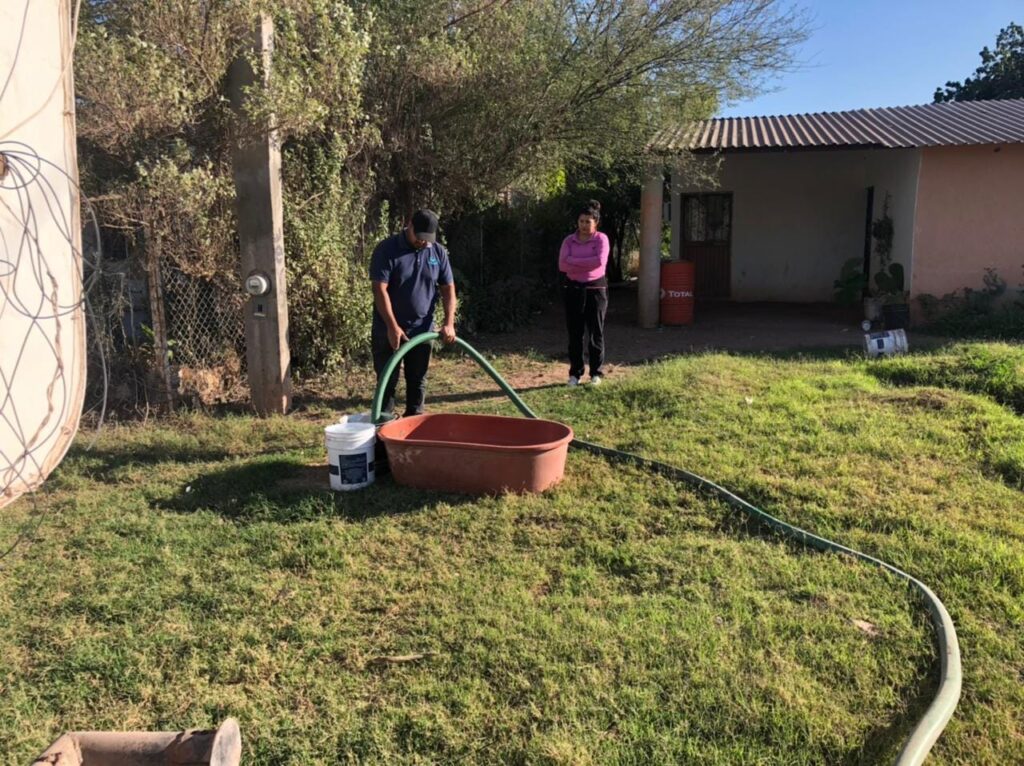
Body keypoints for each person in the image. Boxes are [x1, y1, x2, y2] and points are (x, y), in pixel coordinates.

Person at [369, 208, 457, 417]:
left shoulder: (437, 252)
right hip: (388, 331)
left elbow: (448, 289)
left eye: (428, 239)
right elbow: (379, 289)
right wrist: (392, 327)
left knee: (418, 384)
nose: (423, 242)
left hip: (422, 331)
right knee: (386, 386)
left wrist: (449, 322)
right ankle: (383, 438)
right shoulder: (387, 250)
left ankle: (412, 438)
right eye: (420, 237)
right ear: (409, 225)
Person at [558, 200, 609, 387]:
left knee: (596, 332)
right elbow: (562, 265)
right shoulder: (568, 240)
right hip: (573, 289)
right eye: (581, 221)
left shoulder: (601, 239)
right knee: (575, 333)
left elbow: (599, 262)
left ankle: (596, 372)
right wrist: (584, 261)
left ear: (595, 222)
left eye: (588, 222)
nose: (584, 225)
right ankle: (575, 374)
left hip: (595, 290)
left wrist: (574, 260)